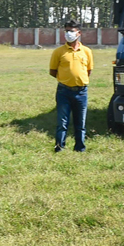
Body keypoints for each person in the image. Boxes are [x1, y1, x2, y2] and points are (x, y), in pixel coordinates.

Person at [49, 20, 94, 152]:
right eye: (67, 31)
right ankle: (59, 147)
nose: (69, 34)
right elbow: (53, 71)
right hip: (64, 92)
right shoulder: (59, 52)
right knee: (62, 123)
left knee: (80, 123)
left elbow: (89, 70)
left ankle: (80, 148)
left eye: (72, 31)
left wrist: (78, 80)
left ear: (79, 33)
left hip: (81, 92)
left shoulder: (86, 51)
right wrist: (66, 79)